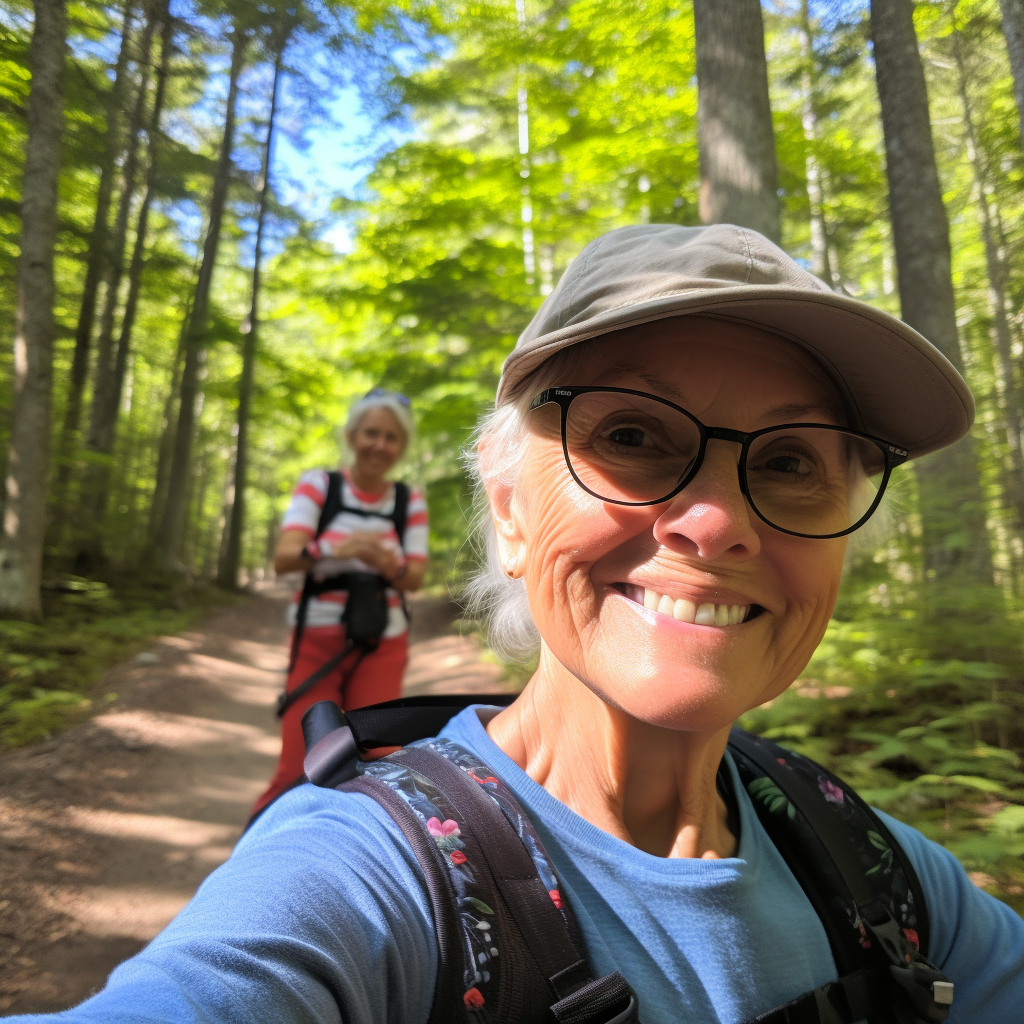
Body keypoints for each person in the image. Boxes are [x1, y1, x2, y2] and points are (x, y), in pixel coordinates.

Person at [10, 224, 1023, 1023]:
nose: (715, 523)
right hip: (323, 635)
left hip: (384, 638)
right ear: (508, 507)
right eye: (630, 435)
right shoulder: (377, 879)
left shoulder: (877, 874)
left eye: (794, 460)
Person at [252, 388, 429, 817]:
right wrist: (341, 550)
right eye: (371, 433)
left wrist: (387, 562)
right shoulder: (319, 486)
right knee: (301, 764)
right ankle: (260, 856)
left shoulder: (409, 501)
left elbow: (415, 578)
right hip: (317, 641)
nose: (379, 445)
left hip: (382, 644)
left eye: (391, 437)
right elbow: (284, 558)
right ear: (352, 436)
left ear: (402, 447)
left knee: (377, 763)